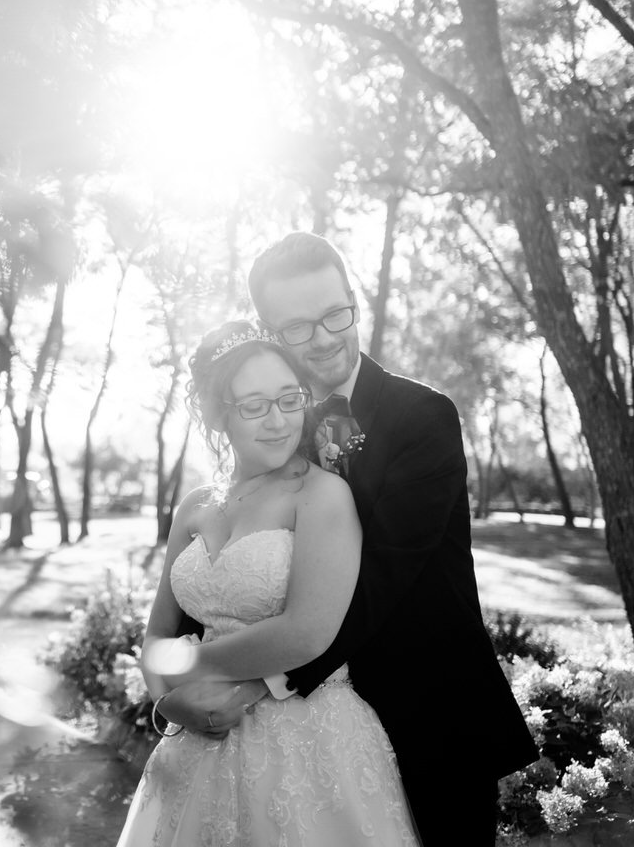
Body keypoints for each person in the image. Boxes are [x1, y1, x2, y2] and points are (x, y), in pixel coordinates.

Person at [159, 232, 537, 845]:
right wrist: (168, 691)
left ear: (353, 300)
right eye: (297, 327)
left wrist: (253, 683)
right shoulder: (274, 423)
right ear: (269, 332)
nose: (325, 337)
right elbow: (216, 570)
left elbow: (382, 578)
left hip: (427, 711)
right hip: (282, 740)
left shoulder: (423, 417)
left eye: (337, 313)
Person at [114, 319, 420, 847]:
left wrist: (183, 668)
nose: (278, 421)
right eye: (255, 405)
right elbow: (156, 636)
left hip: (308, 739)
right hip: (196, 741)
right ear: (219, 414)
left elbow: (307, 633)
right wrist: (169, 704)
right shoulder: (193, 507)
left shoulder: (321, 495)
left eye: (289, 399)